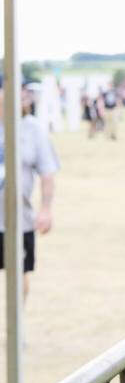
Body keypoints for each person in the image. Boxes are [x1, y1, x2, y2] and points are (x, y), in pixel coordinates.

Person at [0, 82, 60, 301]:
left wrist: (45, 208)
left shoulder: (32, 128)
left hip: (18, 221)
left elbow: (47, 172)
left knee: (19, 275)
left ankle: (16, 330)